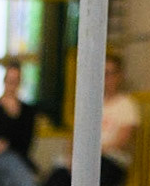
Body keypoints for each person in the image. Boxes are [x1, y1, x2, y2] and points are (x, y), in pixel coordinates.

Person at [40, 54, 137, 186]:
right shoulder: (91, 103)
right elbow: (75, 135)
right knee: (57, 178)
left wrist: (94, 152)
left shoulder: (126, 105)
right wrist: (71, 156)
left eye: (109, 73)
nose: (105, 79)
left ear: (119, 76)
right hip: (84, 157)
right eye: (103, 73)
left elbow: (122, 140)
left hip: (110, 159)